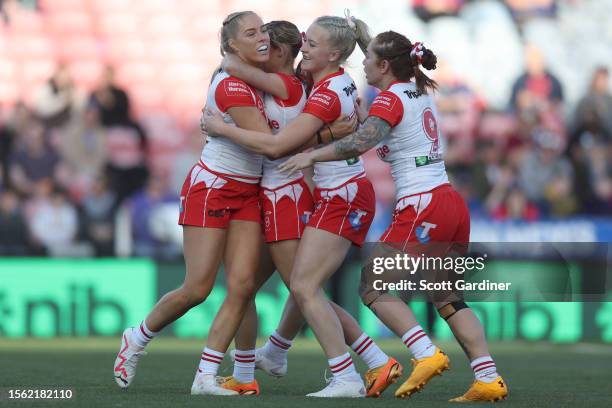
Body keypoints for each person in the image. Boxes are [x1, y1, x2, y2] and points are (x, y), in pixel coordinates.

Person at [278, 32, 508, 402]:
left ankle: (425, 353)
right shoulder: (416, 87)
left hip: (422, 203)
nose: (362, 63)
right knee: (448, 297)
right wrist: (364, 34)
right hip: (449, 201)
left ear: (384, 66)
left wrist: (311, 155)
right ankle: (487, 377)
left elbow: (361, 141)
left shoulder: (390, 99)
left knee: (373, 286)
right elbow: (390, 54)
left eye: (368, 57)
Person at [202, 11, 384, 398]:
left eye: (311, 44)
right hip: (303, 191)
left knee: (303, 287)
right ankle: (268, 358)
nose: (304, 48)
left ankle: (362, 366)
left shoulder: (298, 85)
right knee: (271, 285)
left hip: (289, 193)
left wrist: (220, 126)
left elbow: (276, 145)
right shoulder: (323, 82)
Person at [114, 11, 273, 396]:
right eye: (252, 33)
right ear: (233, 45)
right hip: (214, 188)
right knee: (197, 288)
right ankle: (136, 338)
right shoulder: (232, 86)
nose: (263, 37)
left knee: (243, 285)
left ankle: (214, 376)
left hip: (248, 189)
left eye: (264, 30)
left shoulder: (257, 78)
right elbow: (269, 140)